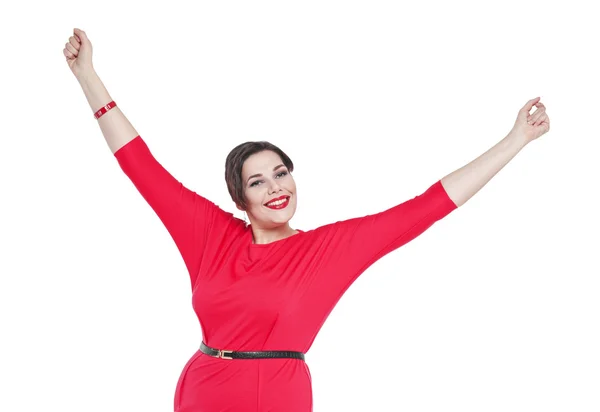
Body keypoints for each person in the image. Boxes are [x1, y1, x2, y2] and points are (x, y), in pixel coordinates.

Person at [64, 28, 551, 412]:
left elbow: (428, 205)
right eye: (257, 182)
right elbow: (140, 165)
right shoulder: (211, 235)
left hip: (277, 395)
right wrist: (87, 74)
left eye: (281, 173)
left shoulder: (329, 249)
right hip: (201, 388)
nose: (275, 187)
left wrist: (515, 141)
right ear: (240, 198)